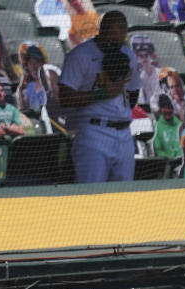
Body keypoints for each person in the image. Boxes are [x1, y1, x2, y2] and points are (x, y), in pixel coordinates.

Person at [59, 11, 141, 183]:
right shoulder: (81, 55)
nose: (115, 44)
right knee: (91, 196)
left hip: (124, 133)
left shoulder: (128, 55)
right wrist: (103, 94)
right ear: (101, 31)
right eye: (112, 39)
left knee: (124, 197)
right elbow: (65, 98)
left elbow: (133, 93)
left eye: (120, 40)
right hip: (94, 131)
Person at [131, 34, 159, 108]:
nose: (144, 58)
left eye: (146, 55)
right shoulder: (138, 77)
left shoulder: (161, 74)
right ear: (137, 58)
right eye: (141, 56)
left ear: (151, 56)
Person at [153, 93, 182, 157]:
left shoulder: (180, 125)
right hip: (168, 163)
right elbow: (158, 150)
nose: (167, 111)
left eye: (169, 108)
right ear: (160, 110)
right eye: (164, 108)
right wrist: (169, 159)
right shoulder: (158, 127)